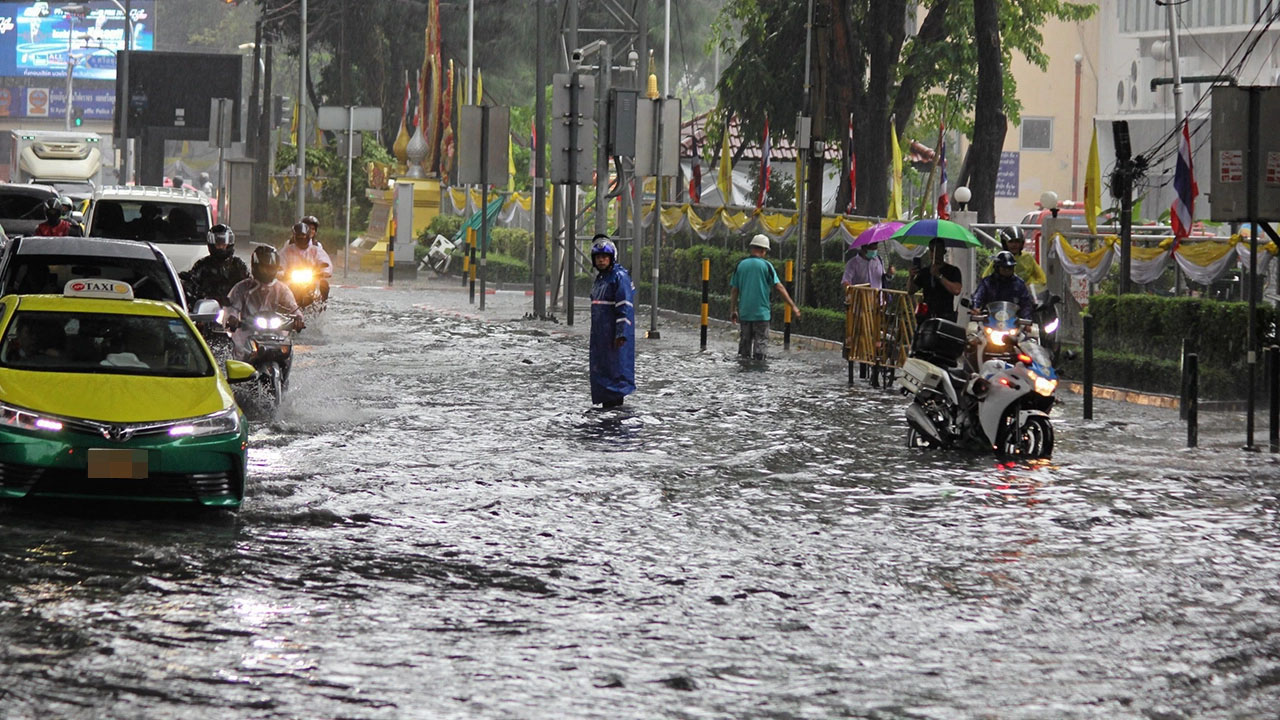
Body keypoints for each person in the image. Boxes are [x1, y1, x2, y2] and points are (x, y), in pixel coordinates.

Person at [729, 233, 802, 360]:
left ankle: (742, 374)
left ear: (752, 248)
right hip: (762, 314)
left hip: (745, 313)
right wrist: (793, 306)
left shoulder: (740, 265)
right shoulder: (767, 266)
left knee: (744, 350)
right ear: (764, 250)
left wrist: (733, 310)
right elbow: (779, 287)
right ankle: (759, 375)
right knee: (760, 349)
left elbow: (734, 290)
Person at [225, 246, 305, 354]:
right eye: (264, 268)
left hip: (277, 337)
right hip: (246, 337)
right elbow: (232, 308)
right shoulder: (241, 288)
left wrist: (299, 319)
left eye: (271, 268)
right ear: (256, 266)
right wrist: (232, 318)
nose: (268, 271)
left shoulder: (282, 289)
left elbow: (293, 308)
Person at [587, 235, 635, 408]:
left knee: (616, 376)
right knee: (603, 374)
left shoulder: (619, 277)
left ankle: (615, 414)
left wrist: (621, 333)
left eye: (604, 257)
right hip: (600, 338)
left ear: (611, 258)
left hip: (614, 338)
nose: (601, 261)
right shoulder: (600, 280)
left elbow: (625, 307)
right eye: (598, 258)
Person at [180, 224, 249, 305]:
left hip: (234, 309)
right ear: (212, 244)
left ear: (229, 243)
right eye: (218, 244)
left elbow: (248, 285)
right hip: (207, 308)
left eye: (223, 244)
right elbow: (192, 281)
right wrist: (187, 279)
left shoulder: (238, 265)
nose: (220, 247)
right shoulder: (202, 264)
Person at [907, 237, 962, 323]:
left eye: (938, 251)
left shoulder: (953, 270)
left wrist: (939, 276)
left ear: (944, 252)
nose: (934, 254)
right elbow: (911, 290)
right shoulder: (925, 271)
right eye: (932, 250)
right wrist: (911, 277)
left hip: (945, 316)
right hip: (927, 316)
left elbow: (956, 290)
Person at [971, 250, 1035, 320]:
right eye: (1004, 267)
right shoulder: (987, 282)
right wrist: (976, 308)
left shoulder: (1019, 284)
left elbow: (1025, 304)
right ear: (997, 267)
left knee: (1033, 330)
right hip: (988, 320)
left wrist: (1026, 318)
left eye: (1010, 268)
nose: (1007, 270)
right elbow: (978, 297)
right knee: (972, 329)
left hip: (1013, 323)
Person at [280, 222, 333, 300]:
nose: (302, 238)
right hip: (291, 280)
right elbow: (280, 264)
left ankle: (322, 304)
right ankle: (286, 303)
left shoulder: (316, 250)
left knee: (324, 284)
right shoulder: (287, 250)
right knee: (281, 287)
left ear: (308, 236)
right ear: (294, 237)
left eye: (304, 236)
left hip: (313, 279)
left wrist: (324, 271)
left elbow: (326, 263)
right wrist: (280, 272)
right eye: (299, 236)